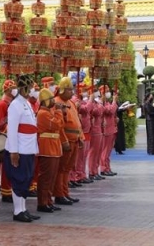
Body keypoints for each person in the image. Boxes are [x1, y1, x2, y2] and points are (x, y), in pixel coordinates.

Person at [4, 75, 40, 222]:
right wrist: (13, 151)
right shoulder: (15, 105)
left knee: (27, 179)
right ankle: (17, 211)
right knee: (19, 179)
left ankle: (24, 209)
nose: (32, 90)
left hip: (28, 147)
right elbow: (12, 129)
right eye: (30, 87)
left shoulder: (26, 103)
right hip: (19, 149)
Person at [53, 77, 84, 206]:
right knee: (61, 169)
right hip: (65, 141)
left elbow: (77, 122)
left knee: (67, 169)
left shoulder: (70, 103)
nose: (72, 92)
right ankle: (59, 194)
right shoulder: (56, 102)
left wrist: (81, 137)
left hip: (75, 140)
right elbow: (59, 126)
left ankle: (65, 193)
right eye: (70, 90)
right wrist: (63, 140)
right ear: (62, 90)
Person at [36, 88, 65, 213]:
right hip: (46, 148)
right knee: (46, 178)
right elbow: (57, 125)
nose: (54, 101)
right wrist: (59, 111)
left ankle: (48, 201)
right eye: (51, 99)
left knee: (52, 178)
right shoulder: (43, 113)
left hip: (53, 147)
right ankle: (42, 203)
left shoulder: (49, 112)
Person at [0, 79, 17, 202]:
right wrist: (9, 125)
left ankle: (9, 190)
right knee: (7, 166)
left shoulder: (11, 103)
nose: (15, 89)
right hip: (6, 138)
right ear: (7, 90)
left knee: (11, 166)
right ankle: (6, 191)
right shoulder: (2, 104)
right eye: (13, 87)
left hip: (11, 137)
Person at [100, 86, 118, 176]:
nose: (108, 93)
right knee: (105, 150)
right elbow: (110, 111)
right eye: (106, 91)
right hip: (106, 129)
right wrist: (114, 101)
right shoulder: (101, 103)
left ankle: (107, 167)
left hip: (111, 128)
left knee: (109, 150)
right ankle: (103, 168)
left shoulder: (106, 102)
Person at [88, 88, 105, 181]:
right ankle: (91, 171)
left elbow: (102, 111)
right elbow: (97, 112)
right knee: (93, 152)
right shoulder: (90, 102)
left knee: (98, 152)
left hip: (99, 129)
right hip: (94, 129)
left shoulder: (96, 102)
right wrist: (100, 103)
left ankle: (95, 170)